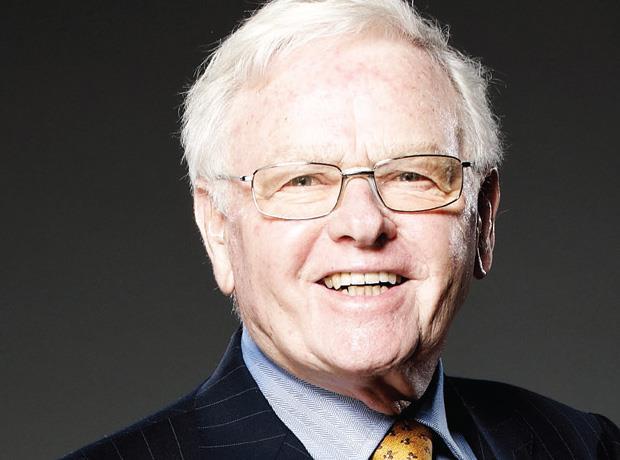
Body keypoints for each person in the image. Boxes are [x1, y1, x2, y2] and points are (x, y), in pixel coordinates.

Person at [61, 0, 619, 458]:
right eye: (302, 180)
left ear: (484, 219)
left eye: (412, 174)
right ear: (218, 230)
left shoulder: (586, 445)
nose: (363, 224)